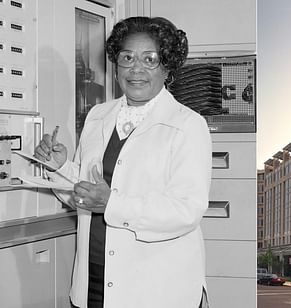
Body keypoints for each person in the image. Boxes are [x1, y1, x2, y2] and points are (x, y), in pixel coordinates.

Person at [34, 16, 211, 308]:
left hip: (157, 290)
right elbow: (82, 196)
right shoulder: (97, 116)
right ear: (116, 65)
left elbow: (186, 211)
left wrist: (112, 204)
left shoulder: (189, 125)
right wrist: (61, 168)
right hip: (93, 282)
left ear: (167, 67)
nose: (136, 69)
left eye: (150, 59)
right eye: (127, 57)